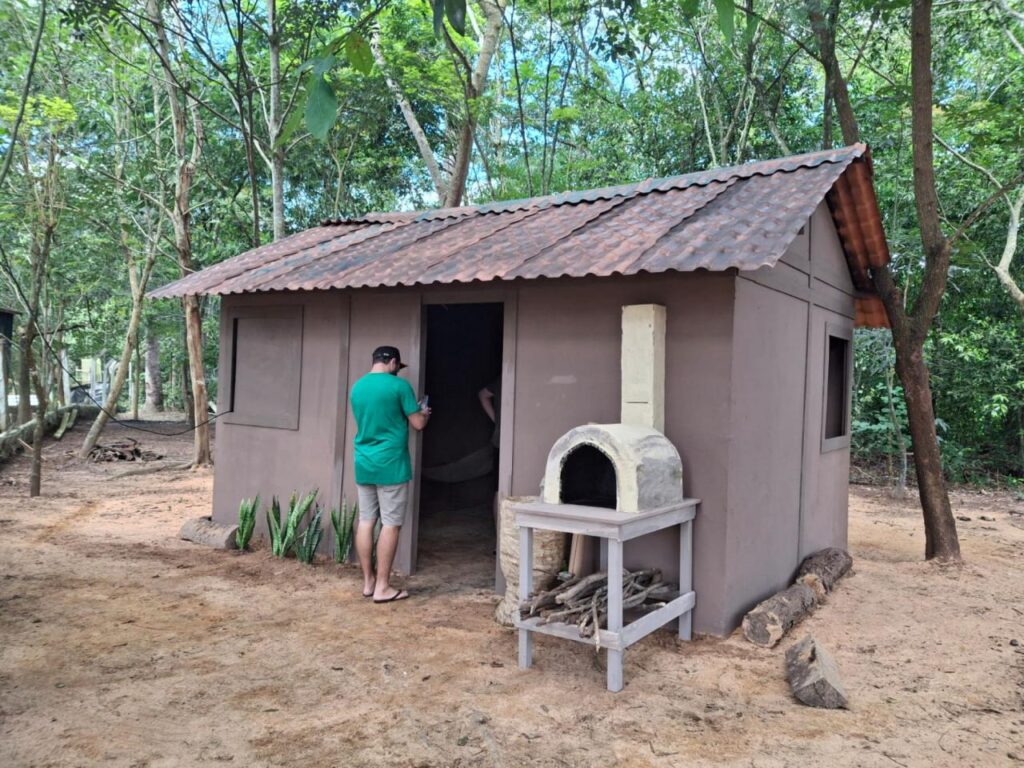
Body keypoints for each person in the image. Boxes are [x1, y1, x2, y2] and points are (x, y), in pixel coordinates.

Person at [350, 346, 430, 603]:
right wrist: (423, 413)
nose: (398, 370)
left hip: (364, 463)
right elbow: (418, 424)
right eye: (398, 366)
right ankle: (383, 587)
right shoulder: (399, 387)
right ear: (393, 362)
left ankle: (368, 582)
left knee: (366, 521)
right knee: (391, 524)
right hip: (391, 465)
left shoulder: (357, 387)